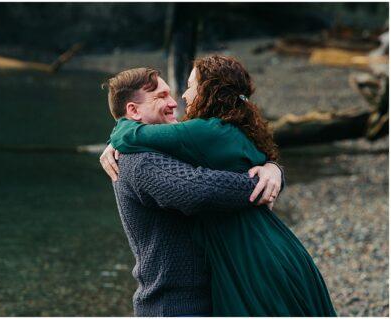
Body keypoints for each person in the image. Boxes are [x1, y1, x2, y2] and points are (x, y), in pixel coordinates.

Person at [104, 56, 335, 316]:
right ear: (133, 111)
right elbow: (199, 191)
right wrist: (261, 181)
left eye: (177, 92)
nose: (175, 102)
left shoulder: (180, 142)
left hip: (216, 294)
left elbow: (240, 160)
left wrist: (274, 170)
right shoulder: (141, 161)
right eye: (161, 96)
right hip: (174, 305)